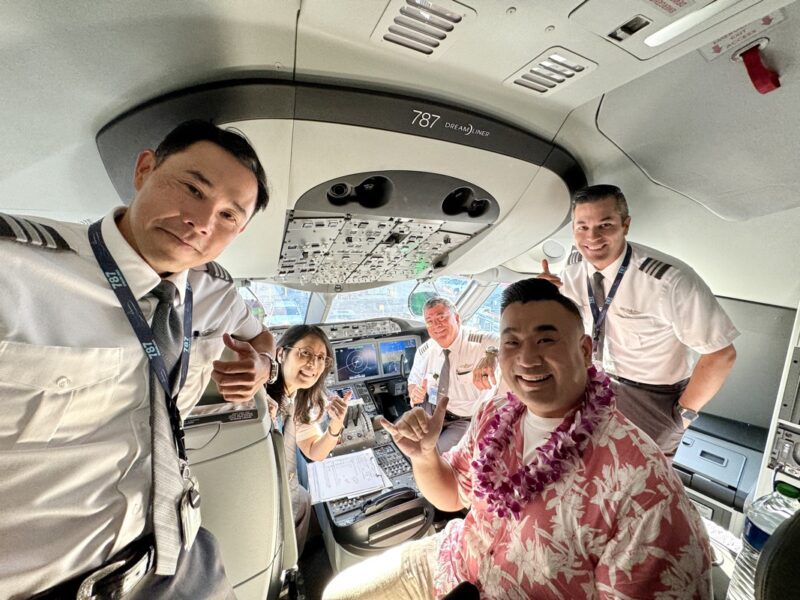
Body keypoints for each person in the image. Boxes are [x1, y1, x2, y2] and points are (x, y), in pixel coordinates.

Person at [0, 121, 277, 599]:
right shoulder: (16, 270)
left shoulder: (214, 291)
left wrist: (262, 367)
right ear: (144, 169)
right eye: (192, 188)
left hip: (186, 557)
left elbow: (264, 339)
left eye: (229, 216)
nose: (203, 222)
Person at [323, 279, 713, 600]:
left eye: (546, 340)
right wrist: (425, 456)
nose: (526, 358)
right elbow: (452, 497)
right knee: (338, 594)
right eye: (512, 342)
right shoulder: (496, 412)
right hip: (455, 561)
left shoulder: (644, 487)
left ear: (584, 350)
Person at [537, 184, 739, 455]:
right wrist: (546, 298)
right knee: (582, 467)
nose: (591, 237)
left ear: (625, 225)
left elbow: (721, 354)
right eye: (582, 227)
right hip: (592, 381)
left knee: (639, 484)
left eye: (605, 225)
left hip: (651, 399)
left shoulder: (669, 280)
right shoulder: (572, 265)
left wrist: (682, 417)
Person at [266, 324, 348, 556]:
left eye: (321, 358)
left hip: (284, 485)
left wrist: (335, 424)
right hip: (262, 484)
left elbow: (315, 452)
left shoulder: (300, 399)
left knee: (302, 499)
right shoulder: (261, 395)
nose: (313, 365)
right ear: (281, 354)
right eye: (305, 353)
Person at [407, 297, 500, 452]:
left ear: (457, 318)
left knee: (434, 454)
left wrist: (492, 355)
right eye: (429, 321)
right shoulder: (425, 351)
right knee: (407, 443)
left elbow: (514, 342)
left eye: (441, 318)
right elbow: (413, 381)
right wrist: (414, 393)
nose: (436, 325)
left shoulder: (478, 342)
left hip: (464, 419)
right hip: (432, 410)